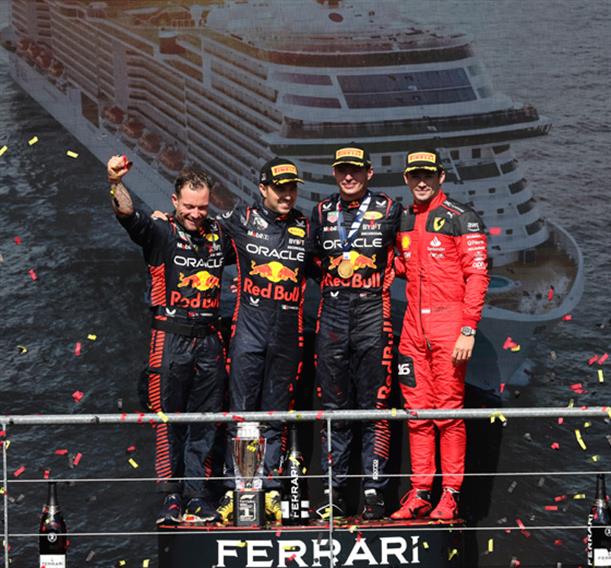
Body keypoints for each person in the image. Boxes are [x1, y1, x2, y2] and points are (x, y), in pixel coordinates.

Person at [107, 155, 231, 525]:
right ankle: (172, 497)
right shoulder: (160, 231)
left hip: (209, 340)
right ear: (175, 201)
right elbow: (127, 214)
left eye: (202, 207)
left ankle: (197, 496)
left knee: (205, 421)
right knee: (168, 422)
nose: (195, 214)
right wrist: (115, 182)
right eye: (189, 206)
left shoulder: (219, 234)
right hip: (170, 339)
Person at [390, 149, 489, 521]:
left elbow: (477, 276)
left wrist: (468, 329)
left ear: (440, 177)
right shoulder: (402, 219)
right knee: (417, 415)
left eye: (428, 175)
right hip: (412, 333)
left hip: (449, 330)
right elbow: (404, 266)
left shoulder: (462, 218)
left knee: (447, 414)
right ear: (406, 178)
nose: (421, 181)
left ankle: (449, 495)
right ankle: (419, 493)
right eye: (415, 175)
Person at [215, 157, 312, 525]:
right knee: (243, 415)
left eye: (292, 188)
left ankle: (269, 487)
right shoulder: (241, 218)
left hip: (287, 335)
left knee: (275, 415)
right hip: (249, 332)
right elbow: (199, 229)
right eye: (279, 188)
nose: (287, 194)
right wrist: (166, 219)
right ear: (263, 189)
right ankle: (240, 488)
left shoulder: (307, 226)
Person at [310, 144, 401, 520]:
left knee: (375, 407)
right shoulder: (321, 211)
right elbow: (311, 259)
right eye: (342, 170)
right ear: (335, 173)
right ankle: (333, 490)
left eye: (356, 170)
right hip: (332, 313)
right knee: (334, 409)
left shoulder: (390, 209)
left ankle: (374, 491)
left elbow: (406, 256)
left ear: (369, 173)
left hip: (372, 313)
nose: (349, 176)